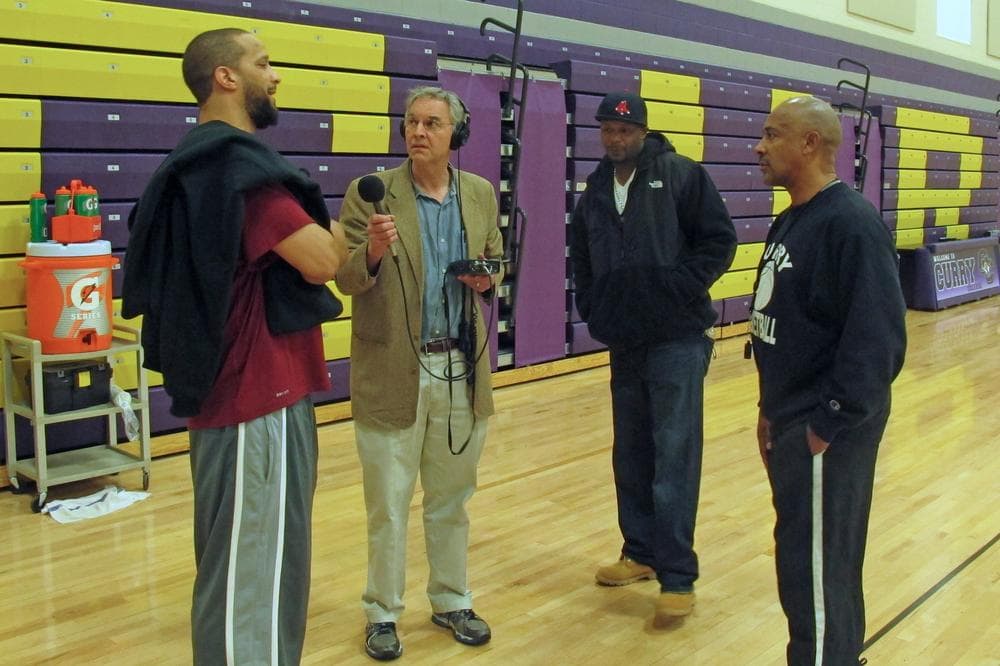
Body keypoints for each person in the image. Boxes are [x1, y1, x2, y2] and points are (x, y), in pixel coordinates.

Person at [122, 28, 347, 665]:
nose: (274, 76)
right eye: (263, 63)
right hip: (258, 400)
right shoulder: (239, 173)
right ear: (226, 77)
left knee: (238, 566)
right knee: (256, 572)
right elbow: (323, 259)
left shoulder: (191, 165)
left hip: (231, 394)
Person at [335, 86, 504, 661]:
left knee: (452, 498)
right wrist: (374, 253)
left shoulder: (479, 193)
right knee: (387, 503)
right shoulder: (372, 195)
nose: (418, 132)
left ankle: (452, 599)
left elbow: (495, 256)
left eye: (432, 123)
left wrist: (486, 279)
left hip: (459, 365)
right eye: (411, 122)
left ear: (455, 134)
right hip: (392, 369)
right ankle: (382, 612)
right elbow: (347, 278)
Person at [750, 96, 907, 665]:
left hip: (825, 430)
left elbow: (879, 342)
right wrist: (771, 407)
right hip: (791, 417)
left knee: (814, 569)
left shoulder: (851, 225)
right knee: (810, 559)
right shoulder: (794, 215)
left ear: (810, 143)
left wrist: (826, 424)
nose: (760, 147)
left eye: (773, 135)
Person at [569, 92, 737, 623]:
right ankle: (638, 552)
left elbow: (718, 242)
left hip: (678, 340)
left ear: (643, 131)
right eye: (607, 131)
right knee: (632, 452)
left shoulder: (682, 175)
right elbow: (582, 257)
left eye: (624, 131)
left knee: (675, 454)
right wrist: (595, 308)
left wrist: (676, 290)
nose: (615, 139)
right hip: (625, 342)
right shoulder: (595, 190)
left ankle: (678, 575)